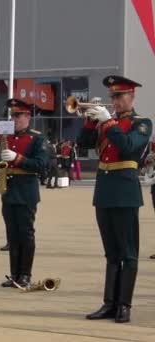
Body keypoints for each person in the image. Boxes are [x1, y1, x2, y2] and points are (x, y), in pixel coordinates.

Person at [79, 75, 152, 323]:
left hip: (125, 191)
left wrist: (109, 122)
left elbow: (129, 147)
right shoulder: (105, 123)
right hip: (105, 190)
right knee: (111, 253)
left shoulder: (142, 123)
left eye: (119, 96)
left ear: (132, 96)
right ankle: (109, 303)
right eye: (113, 97)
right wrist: (91, 123)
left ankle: (124, 305)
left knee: (128, 253)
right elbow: (82, 145)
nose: (115, 101)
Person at [0, 99, 48, 289]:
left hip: (26, 190)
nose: (14, 119)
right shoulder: (6, 137)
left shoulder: (37, 138)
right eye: (12, 115)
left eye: (18, 115)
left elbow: (41, 164)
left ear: (28, 117)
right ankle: (14, 274)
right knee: (12, 234)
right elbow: (0, 161)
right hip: (9, 190)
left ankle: (25, 274)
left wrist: (18, 158)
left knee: (25, 233)